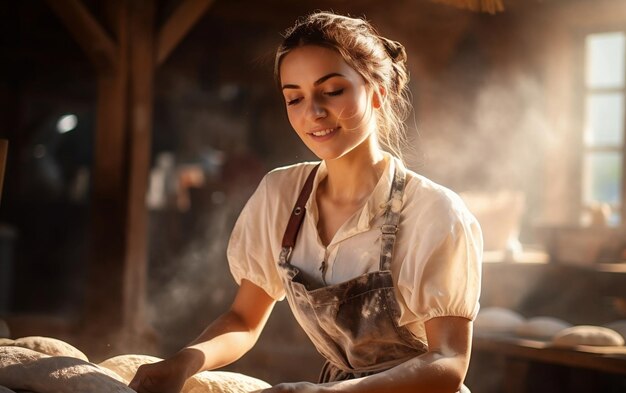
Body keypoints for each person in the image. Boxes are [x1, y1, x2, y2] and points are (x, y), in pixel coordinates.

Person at [129, 11, 482, 393]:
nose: (312, 112)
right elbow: (244, 319)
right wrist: (184, 362)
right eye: (294, 98)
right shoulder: (280, 195)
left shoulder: (434, 213)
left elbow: (448, 363)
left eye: (331, 91)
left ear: (378, 91)